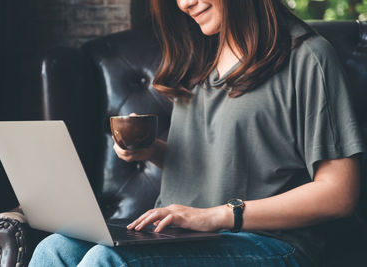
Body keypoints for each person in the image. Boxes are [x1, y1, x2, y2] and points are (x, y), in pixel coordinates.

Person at [29, 0, 365, 266]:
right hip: (183, 237)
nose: (185, 3)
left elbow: (339, 193)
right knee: (55, 249)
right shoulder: (199, 58)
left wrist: (216, 215)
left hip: (271, 243)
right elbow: (220, 160)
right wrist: (150, 150)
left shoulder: (308, 56)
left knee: (109, 261)